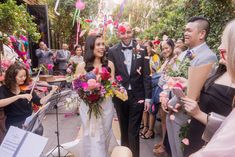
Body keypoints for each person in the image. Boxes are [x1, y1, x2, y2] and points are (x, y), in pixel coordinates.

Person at [164, 16, 217, 157]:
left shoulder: (208, 57)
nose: (185, 33)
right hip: (172, 111)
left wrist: (171, 103)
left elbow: (198, 90)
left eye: (189, 30)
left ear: (202, 34)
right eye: (185, 30)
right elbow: (172, 79)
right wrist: (165, 98)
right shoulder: (182, 55)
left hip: (186, 116)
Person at [182, 19, 235, 156]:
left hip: (212, 143)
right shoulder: (220, 70)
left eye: (225, 42)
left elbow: (228, 128)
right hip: (195, 132)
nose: (219, 47)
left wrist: (199, 114)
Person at [108, 22, 152, 157]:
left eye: (128, 32)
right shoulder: (112, 51)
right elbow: (111, 75)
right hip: (120, 96)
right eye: (122, 32)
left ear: (132, 32)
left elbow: (146, 75)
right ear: (118, 33)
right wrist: (116, 91)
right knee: (123, 129)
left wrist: (148, 98)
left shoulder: (143, 49)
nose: (126, 35)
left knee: (133, 131)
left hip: (137, 96)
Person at [75, 34, 118, 157]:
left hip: (106, 106)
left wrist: (111, 88)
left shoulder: (109, 65)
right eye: (98, 44)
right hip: (88, 107)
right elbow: (77, 88)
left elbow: (113, 86)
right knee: (91, 135)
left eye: (103, 44)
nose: (102, 47)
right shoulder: (81, 66)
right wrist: (88, 93)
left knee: (105, 133)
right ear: (91, 46)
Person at [0, 63, 58, 132]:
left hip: (29, 120)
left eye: (25, 76)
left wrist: (51, 92)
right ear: (12, 77)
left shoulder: (27, 88)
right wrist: (18, 96)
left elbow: (39, 102)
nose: (24, 78)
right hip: (14, 122)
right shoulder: (4, 89)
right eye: (20, 77)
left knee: (39, 130)